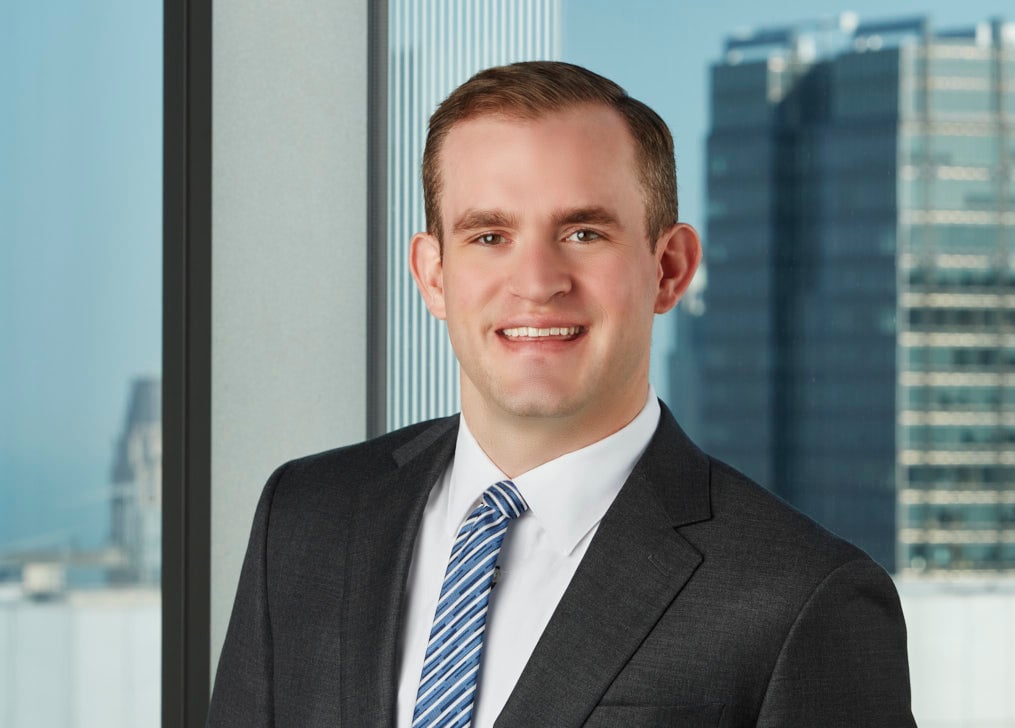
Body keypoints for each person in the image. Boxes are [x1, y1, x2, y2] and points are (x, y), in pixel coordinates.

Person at [207, 61, 915, 728]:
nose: (537, 282)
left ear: (669, 268)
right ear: (433, 276)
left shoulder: (802, 599)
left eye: (582, 233)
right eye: (490, 236)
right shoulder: (306, 517)